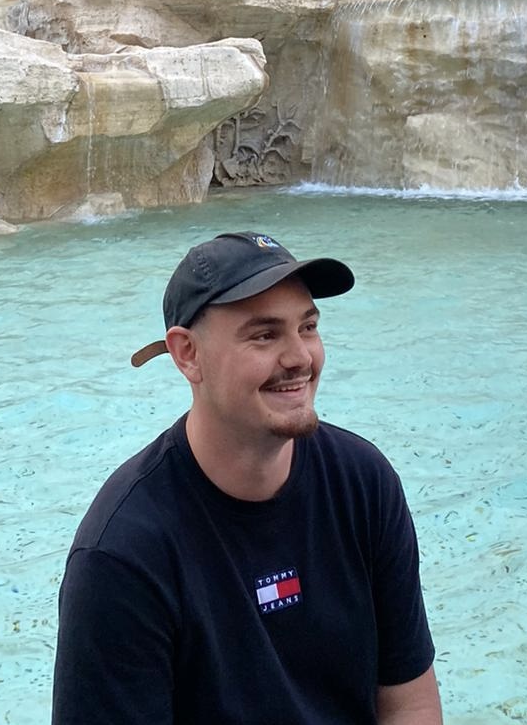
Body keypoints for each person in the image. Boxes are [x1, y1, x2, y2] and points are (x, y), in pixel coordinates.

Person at [52, 230, 442, 725]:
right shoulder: (123, 553)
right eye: (264, 335)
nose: (300, 357)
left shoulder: (364, 483)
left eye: (307, 327)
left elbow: (410, 702)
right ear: (187, 354)